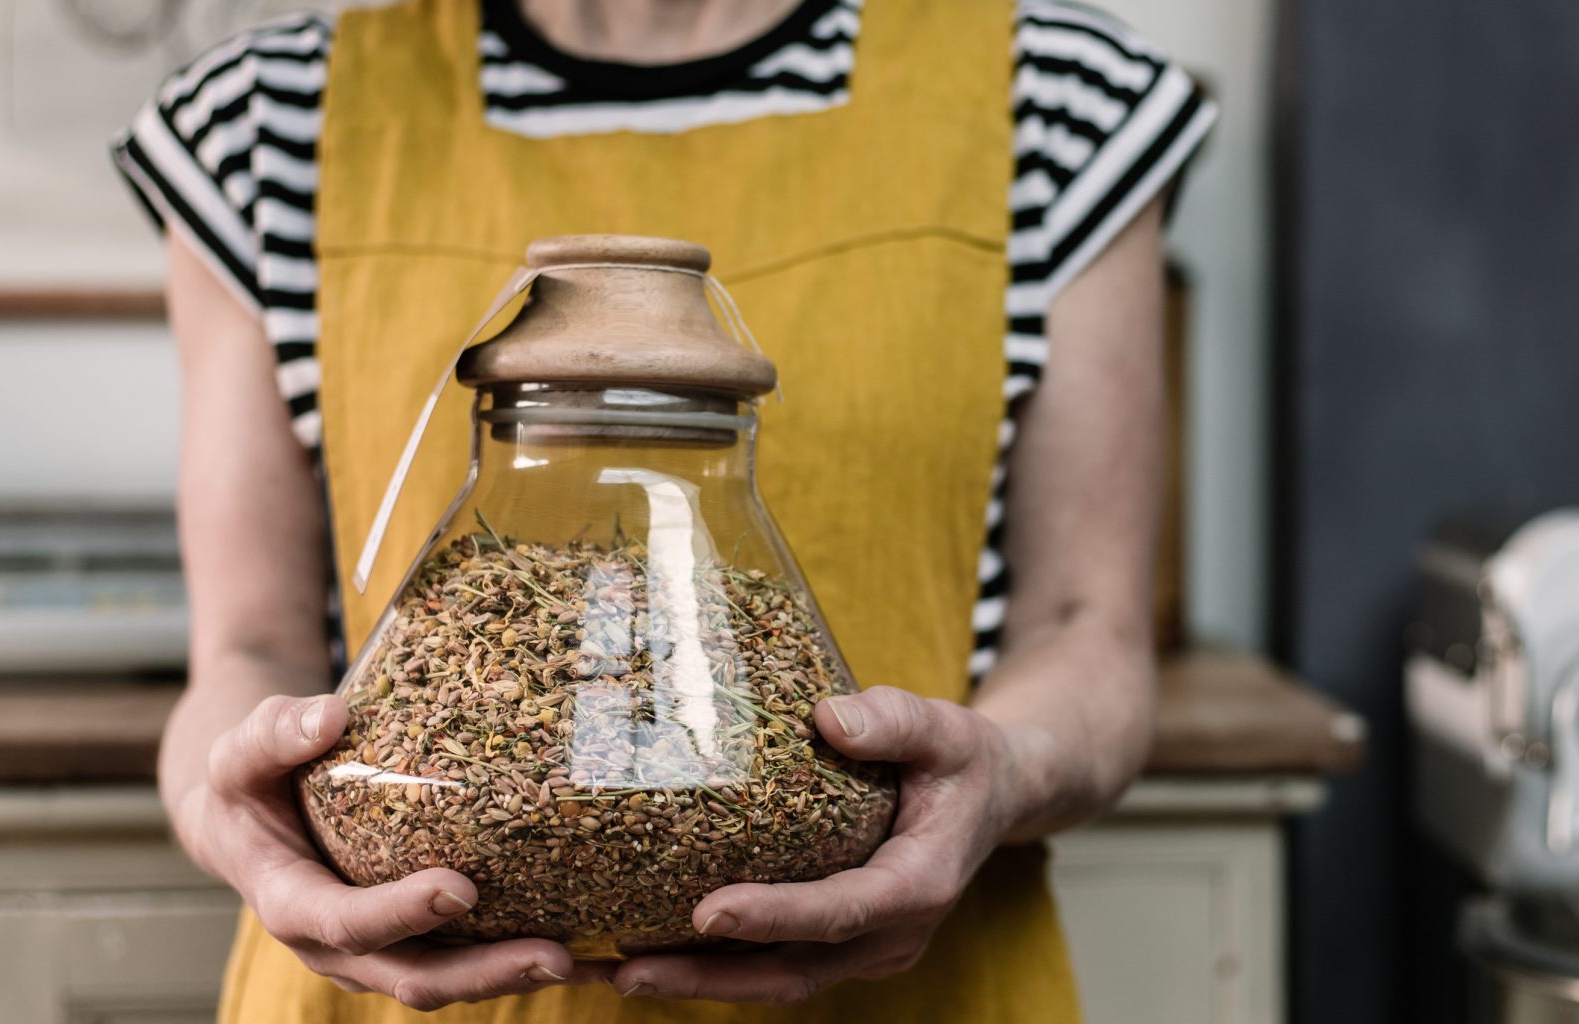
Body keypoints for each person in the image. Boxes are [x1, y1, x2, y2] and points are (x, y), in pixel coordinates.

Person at [113, 0, 1215, 1019]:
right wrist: (232, 820)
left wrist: (1006, 769)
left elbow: (1085, 625)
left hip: (903, 988)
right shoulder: (262, 123)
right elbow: (248, 645)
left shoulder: (1052, 95)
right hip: (393, 994)